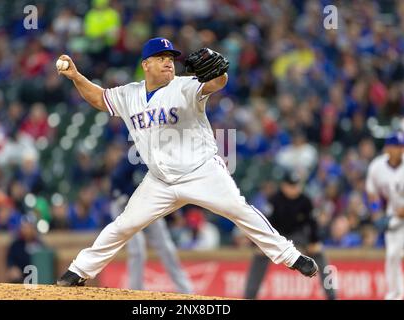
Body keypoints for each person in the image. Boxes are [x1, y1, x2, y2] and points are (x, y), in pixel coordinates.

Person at [55, 37, 318, 287]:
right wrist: (76, 77)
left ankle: (291, 256)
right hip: (159, 181)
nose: (169, 61)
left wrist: (219, 72)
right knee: (123, 225)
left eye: (171, 57)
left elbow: (215, 83)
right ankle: (80, 270)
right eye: (161, 57)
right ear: (146, 64)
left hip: (201, 172)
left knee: (240, 210)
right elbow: (100, 98)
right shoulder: (129, 94)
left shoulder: (185, 85)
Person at [244, 172, 336, 300]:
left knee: (320, 254)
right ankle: (249, 297)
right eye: (291, 186)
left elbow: (312, 223)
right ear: (284, 186)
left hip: (299, 236)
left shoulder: (305, 200)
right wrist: (258, 244)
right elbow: (264, 222)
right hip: (277, 235)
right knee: (259, 256)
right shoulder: (274, 200)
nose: (294, 189)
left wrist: (314, 241)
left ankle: (332, 296)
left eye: (296, 185)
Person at [109, 155, 193, 293]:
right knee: (137, 248)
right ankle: (136, 292)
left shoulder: (163, 159)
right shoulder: (134, 156)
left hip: (146, 206)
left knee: (166, 247)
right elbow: (115, 181)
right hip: (124, 206)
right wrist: (121, 197)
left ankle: (186, 290)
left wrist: (174, 214)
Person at [365, 131, 404, 300]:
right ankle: (395, 294)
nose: (401, 149)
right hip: (395, 214)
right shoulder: (377, 167)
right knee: (392, 254)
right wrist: (376, 212)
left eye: (402, 146)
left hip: (403, 210)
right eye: (397, 146)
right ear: (388, 148)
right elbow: (372, 193)